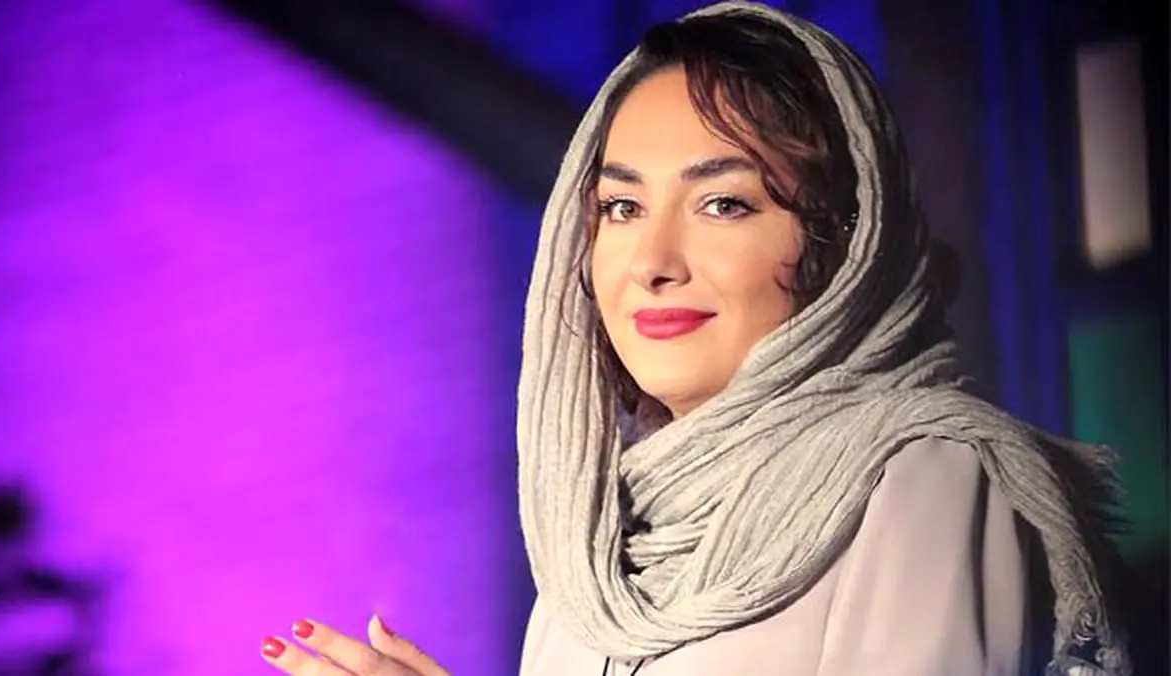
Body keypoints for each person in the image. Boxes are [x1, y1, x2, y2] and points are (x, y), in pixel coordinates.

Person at [256, 2, 1131, 675]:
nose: (653, 262)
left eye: (723, 203)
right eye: (620, 207)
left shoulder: (923, 481)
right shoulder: (593, 553)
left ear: (843, 243)